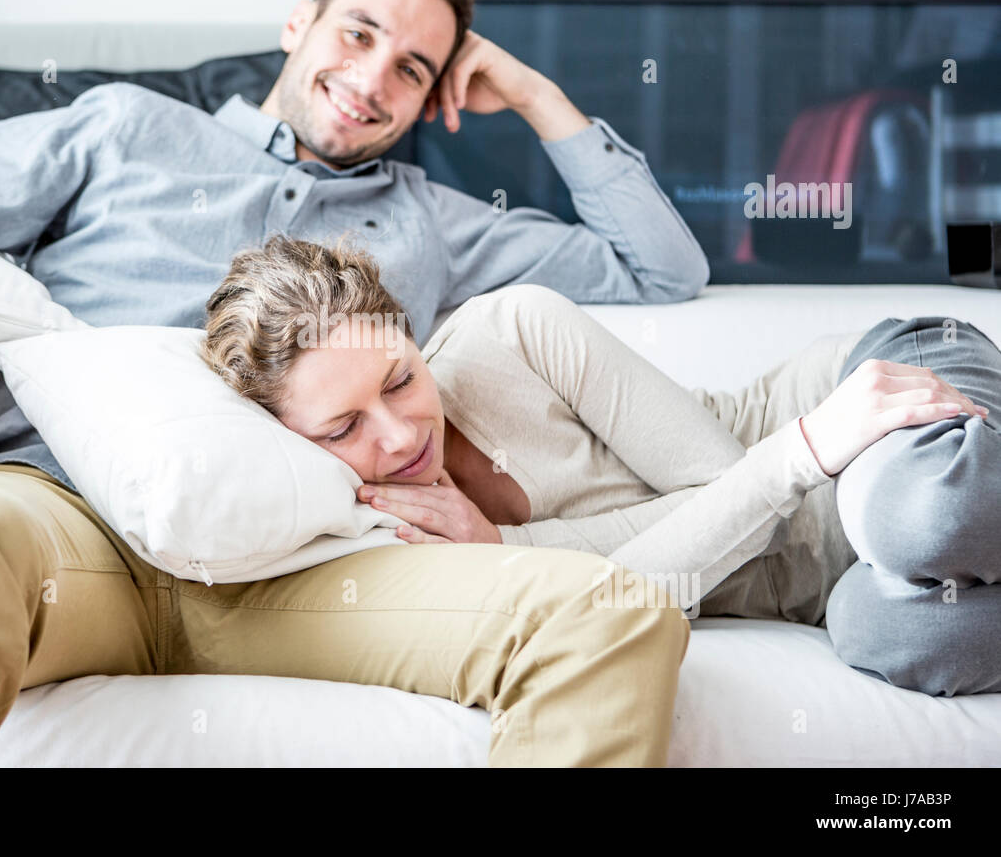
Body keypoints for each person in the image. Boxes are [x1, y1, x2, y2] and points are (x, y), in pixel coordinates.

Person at [0, 0, 705, 767]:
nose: (369, 80)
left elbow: (662, 268)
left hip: (315, 564)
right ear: (296, 25)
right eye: (356, 34)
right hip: (69, 524)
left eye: (412, 68)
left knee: (610, 616)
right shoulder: (124, 130)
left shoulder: (433, 218)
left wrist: (534, 94)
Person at [203, 234, 1001, 698]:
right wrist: (502, 560)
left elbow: (743, 493)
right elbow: (622, 610)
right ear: (291, 442)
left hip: (864, 417)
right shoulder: (364, 534)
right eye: (344, 427)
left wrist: (511, 555)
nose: (400, 433)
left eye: (402, 379)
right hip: (832, 593)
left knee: (926, 516)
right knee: (900, 636)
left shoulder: (512, 333)